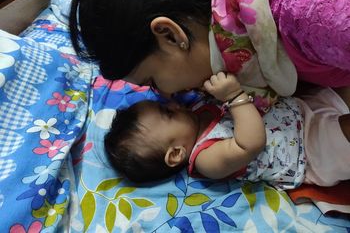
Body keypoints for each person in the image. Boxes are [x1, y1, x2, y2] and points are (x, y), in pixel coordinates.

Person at [69, 0, 350, 113]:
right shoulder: (249, 30)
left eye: (153, 81)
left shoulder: (311, 13)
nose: (167, 96)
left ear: (170, 34)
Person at [104, 72, 350, 189]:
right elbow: (251, 144)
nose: (173, 105)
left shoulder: (195, 112)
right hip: (310, 153)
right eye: (167, 113)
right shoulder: (207, 160)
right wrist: (234, 96)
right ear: (176, 153)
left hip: (303, 110)